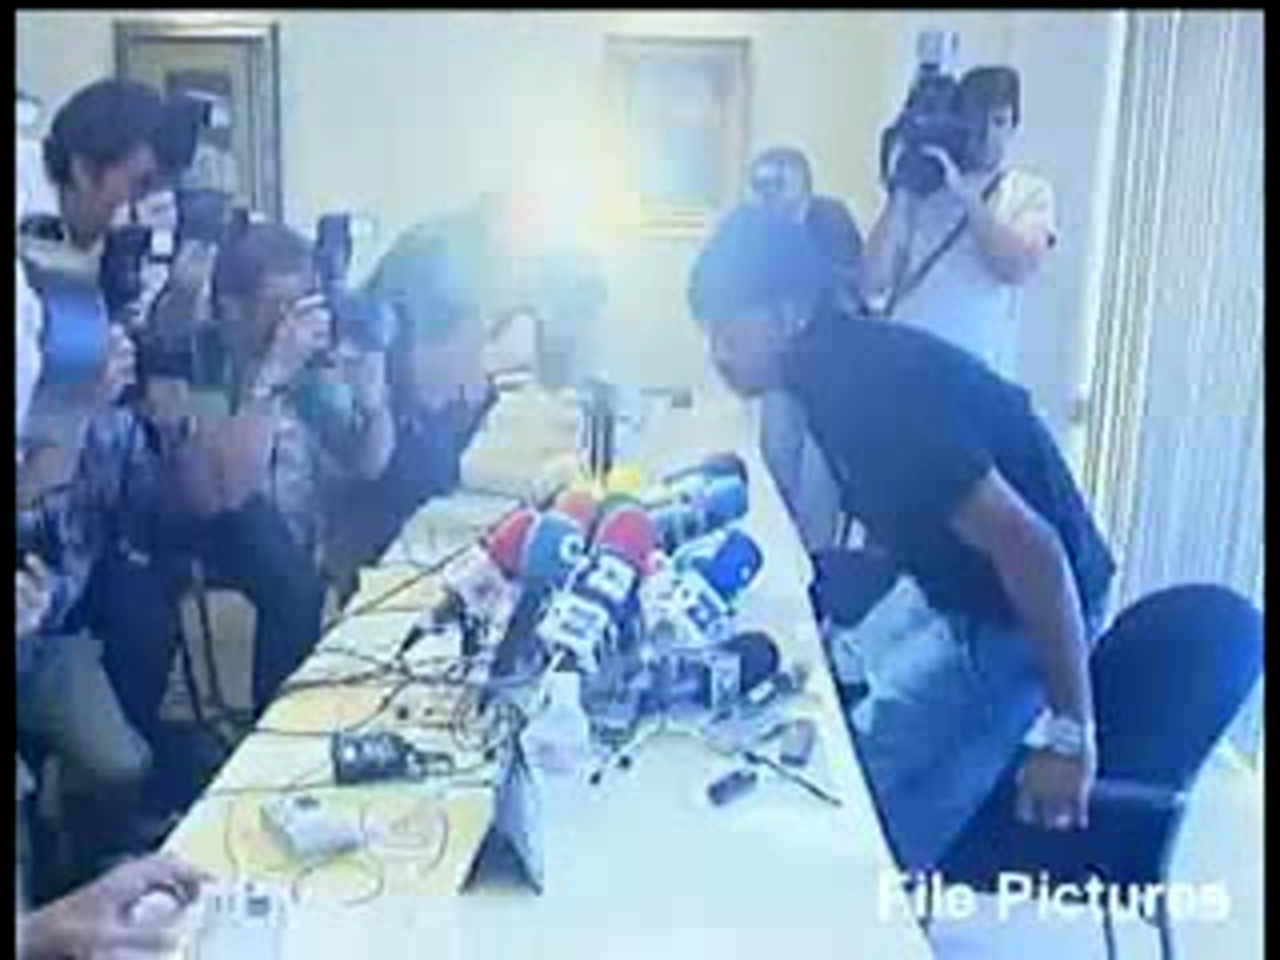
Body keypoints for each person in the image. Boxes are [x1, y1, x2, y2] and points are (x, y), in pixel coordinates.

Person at [687, 204, 1115, 872]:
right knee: (825, 702)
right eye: (709, 332)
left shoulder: (871, 392)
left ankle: (867, 909)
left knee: (864, 815)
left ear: (789, 312)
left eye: (729, 329)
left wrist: (1070, 736)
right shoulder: (832, 369)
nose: (718, 352)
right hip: (959, 581)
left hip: (1021, 609)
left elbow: (1034, 549)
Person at [16, 78, 178, 882]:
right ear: (82, 167)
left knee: (125, 752)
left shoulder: (85, 264)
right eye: (133, 184)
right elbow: (33, 477)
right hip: (41, 572)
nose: (137, 211)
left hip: (74, 563)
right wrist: (77, 408)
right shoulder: (30, 280)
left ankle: (85, 860)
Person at [168, 222, 395, 709]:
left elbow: (368, 464)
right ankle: (274, 717)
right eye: (279, 305)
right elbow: (223, 491)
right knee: (287, 574)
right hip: (205, 523)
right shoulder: (202, 358)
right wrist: (269, 380)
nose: (293, 321)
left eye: (302, 302)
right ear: (231, 307)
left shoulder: (306, 368)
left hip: (294, 533)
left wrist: (374, 402)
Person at [323, 189, 604, 581]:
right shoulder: (441, 259)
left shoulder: (507, 275)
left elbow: (555, 377)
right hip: (381, 446)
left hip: (420, 432)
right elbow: (431, 387)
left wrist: (552, 322)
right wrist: (482, 364)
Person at [862, 66, 1056, 378]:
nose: (987, 134)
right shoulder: (924, 189)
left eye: (999, 121)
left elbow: (1016, 266)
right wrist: (902, 189)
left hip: (974, 375)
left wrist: (966, 196)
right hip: (904, 365)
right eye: (977, 120)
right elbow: (872, 281)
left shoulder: (1028, 190)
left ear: (1013, 126)